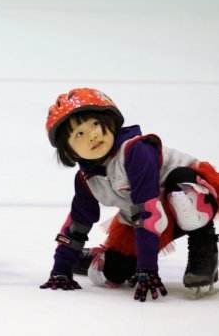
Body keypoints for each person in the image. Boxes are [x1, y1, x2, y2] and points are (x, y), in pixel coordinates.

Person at [40, 88, 219, 300]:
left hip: (190, 194)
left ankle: (203, 249)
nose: (93, 135)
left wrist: (147, 270)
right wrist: (61, 268)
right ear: (69, 151)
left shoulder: (135, 151)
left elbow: (147, 211)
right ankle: (91, 259)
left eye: (95, 124)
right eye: (79, 133)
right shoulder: (86, 178)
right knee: (114, 273)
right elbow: (77, 223)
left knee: (184, 195)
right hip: (148, 219)